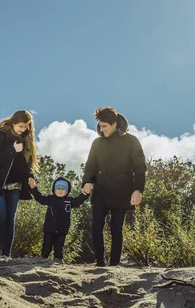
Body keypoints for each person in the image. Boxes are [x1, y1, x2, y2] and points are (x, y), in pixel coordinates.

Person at [82, 107, 146, 267]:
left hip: (123, 190)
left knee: (116, 228)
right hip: (101, 191)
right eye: (100, 126)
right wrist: (87, 182)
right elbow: (91, 165)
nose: (101, 130)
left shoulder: (132, 141)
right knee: (96, 225)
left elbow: (139, 167)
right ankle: (99, 262)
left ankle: (114, 264)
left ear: (114, 124)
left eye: (105, 126)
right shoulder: (97, 143)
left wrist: (138, 190)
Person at [0, 109, 39, 259]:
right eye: (20, 126)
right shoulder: (1, 134)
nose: (23, 129)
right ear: (13, 123)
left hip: (15, 185)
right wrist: (13, 150)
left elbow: (26, 164)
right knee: (0, 216)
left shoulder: (26, 139)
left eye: (25, 126)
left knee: (10, 219)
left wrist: (31, 176)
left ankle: (6, 254)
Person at [29, 176, 90, 263]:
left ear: (67, 190)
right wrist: (33, 188)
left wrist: (85, 194)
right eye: (58, 188)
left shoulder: (69, 201)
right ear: (54, 189)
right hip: (49, 228)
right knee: (47, 245)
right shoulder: (50, 199)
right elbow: (40, 198)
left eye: (63, 189)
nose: (60, 190)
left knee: (59, 247)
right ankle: (43, 258)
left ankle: (58, 260)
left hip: (62, 229)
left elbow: (78, 201)